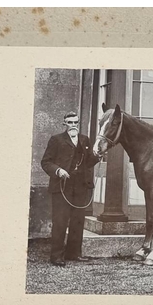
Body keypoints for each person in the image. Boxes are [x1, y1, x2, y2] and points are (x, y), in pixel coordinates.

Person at [41, 112, 101, 266]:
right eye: (70, 122)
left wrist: (98, 155)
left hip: (80, 186)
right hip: (62, 186)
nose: (73, 125)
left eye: (75, 122)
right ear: (64, 123)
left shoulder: (84, 140)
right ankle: (56, 257)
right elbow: (46, 162)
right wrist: (58, 170)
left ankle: (74, 253)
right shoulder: (56, 140)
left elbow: (88, 162)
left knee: (78, 221)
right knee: (60, 221)